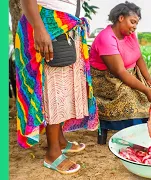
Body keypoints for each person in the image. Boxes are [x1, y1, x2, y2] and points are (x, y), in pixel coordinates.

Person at [15, 0, 99, 174]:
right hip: (48, 25)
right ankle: (52, 153)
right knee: (53, 88)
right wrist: (39, 28)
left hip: (64, 26)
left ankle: (59, 140)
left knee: (63, 88)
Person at [89, 1, 151, 143]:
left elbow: (138, 56)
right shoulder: (106, 38)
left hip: (131, 74)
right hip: (108, 81)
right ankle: (133, 137)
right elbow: (119, 71)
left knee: (150, 96)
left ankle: (147, 133)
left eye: (136, 24)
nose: (134, 27)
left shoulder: (130, 34)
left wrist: (149, 79)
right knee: (131, 98)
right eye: (132, 22)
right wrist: (145, 89)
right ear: (121, 18)